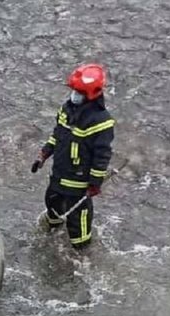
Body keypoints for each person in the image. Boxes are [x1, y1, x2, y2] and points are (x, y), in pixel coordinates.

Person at [31, 63, 115, 248]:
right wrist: (44, 154)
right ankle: (51, 236)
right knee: (52, 204)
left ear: (90, 94)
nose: (74, 95)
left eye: (79, 91)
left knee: (78, 222)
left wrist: (95, 183)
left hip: (78, 183)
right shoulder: (67, 110)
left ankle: (81, 254)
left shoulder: (101, 121)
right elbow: (57, 135)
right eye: (74, 90)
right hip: (59, 175)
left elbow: (102, 155)